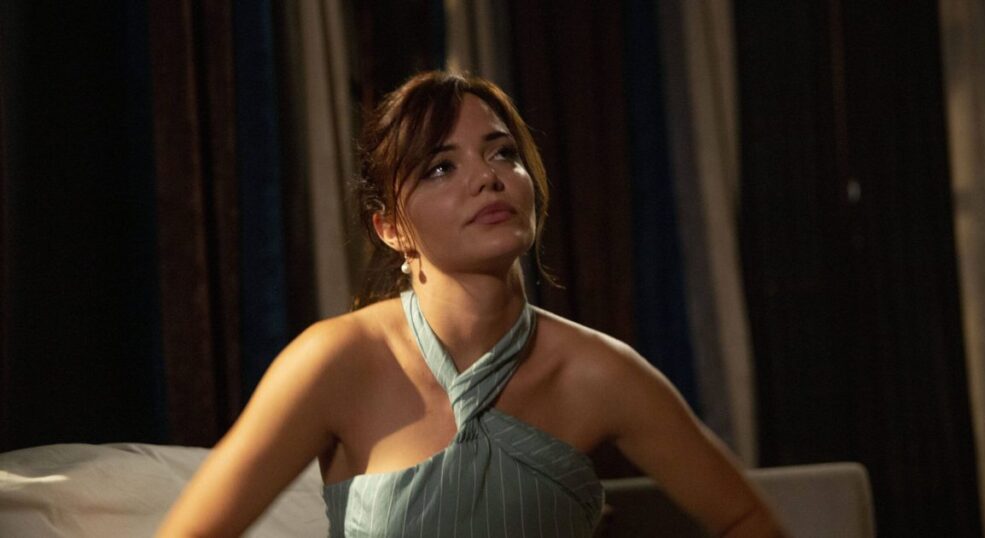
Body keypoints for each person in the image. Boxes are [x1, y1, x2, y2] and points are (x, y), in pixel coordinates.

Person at [157, 71, 784, 537]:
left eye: (502, 152)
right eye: (440, 168)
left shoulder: (600, 373)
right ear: (390, 229)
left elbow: (747, 520)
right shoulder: (338, 361)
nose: (488, 177)